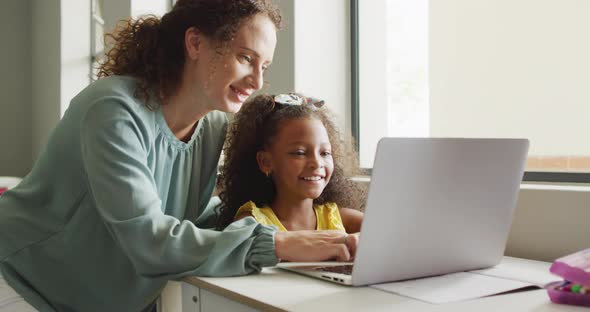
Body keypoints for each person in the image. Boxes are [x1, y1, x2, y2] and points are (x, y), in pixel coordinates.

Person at [0, 1, 356, 311]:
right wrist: (277, 243)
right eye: (246, 58)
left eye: (264, 66)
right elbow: (149, 239)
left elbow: (192, 217)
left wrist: (309, 218)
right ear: (196, 43)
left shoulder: (213, 125)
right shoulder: (113, 109)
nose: (257, 81)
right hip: (22, 284)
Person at [216, 93, 366, 250]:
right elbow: (233, 248)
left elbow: (387, 234)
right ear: (265, 162)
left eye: (325, 153)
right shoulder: (253, 221)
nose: (316, 163)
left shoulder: (338, 217)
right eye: (300, 153)